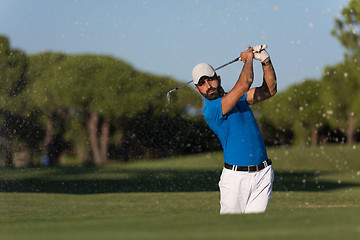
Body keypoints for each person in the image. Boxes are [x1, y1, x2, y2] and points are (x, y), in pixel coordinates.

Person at [192, 45, 277, 214]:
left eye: (210, 79)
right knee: (230, 231)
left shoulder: (240, 99)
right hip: (235, 179)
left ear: (219, 78)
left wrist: (266, 61)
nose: (208, 85)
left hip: (263, 174)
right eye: (202, 83)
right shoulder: (211, 110)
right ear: (197, 89)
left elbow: (270, 90)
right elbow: (245, 83)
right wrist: (249, 59)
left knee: (254, 230)